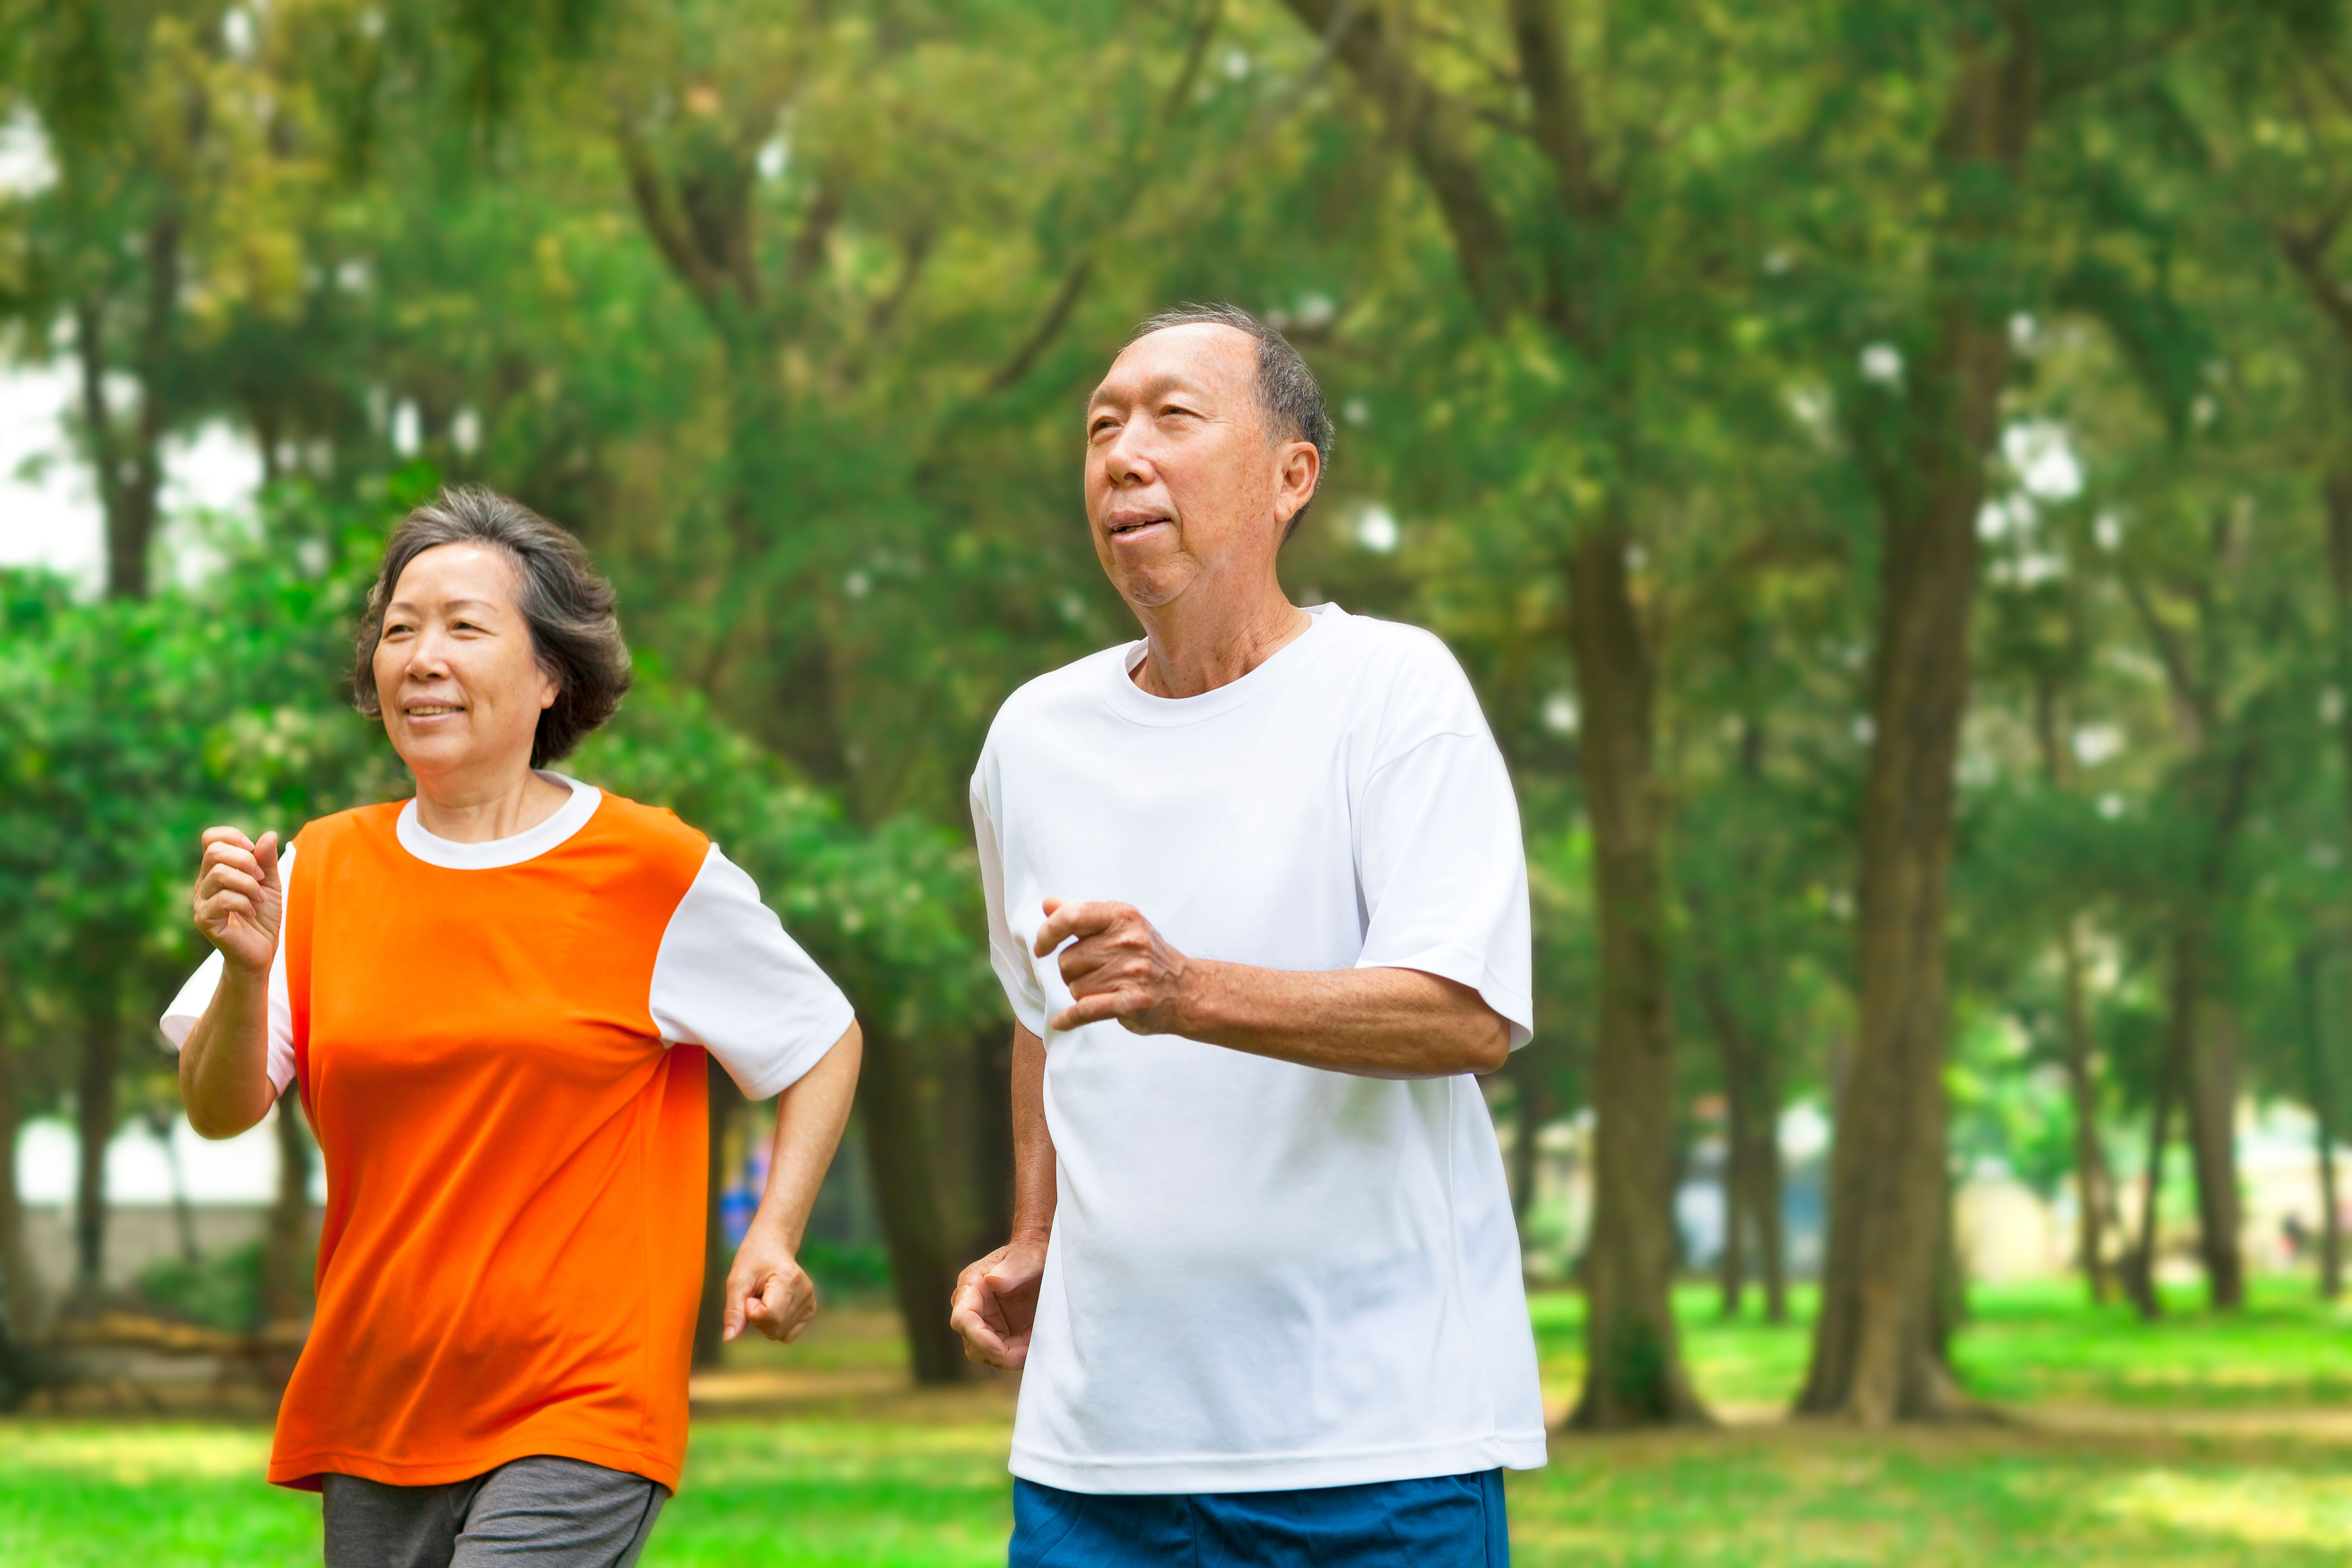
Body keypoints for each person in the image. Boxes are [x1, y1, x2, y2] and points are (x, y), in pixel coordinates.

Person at [164, 487, 861, 1568]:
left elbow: (818, 1034)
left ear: (549, 675)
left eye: (463, 626)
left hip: (581, 1401)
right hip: (380, 1402)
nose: (421, 656)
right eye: (400, 629)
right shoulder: (316, 868)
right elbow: (219, 1109)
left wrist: (773, 1231)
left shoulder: (650, 870)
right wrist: (248, 973)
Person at [950, 304, 1544, 1567]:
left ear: (1292, 476)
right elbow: (1041, 1012)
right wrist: (1036, 1231)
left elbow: (1465, 1012)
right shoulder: (1032, 737)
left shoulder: (1393, 691)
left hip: (1370, 1448)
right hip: (1096, 1456)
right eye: (1101, 424)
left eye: (1174, 415)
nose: (1123, 453)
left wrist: (1189, 988)